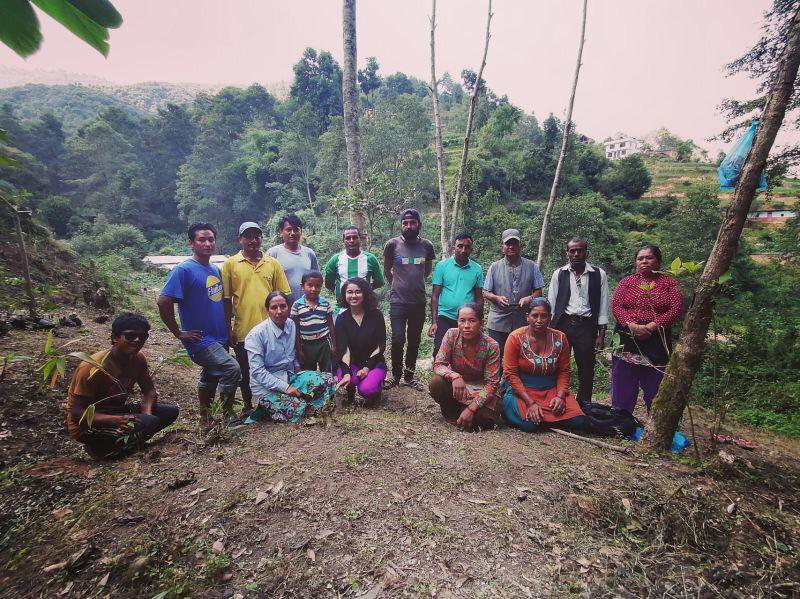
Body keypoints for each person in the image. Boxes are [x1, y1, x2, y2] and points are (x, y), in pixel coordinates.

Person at [157, 223, 240, 430]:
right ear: (191, 243)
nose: (207, 243)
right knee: (232, 368)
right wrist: (178, 333)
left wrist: (228, 329)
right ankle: (228, 415)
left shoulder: (215, 269)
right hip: (200, 339)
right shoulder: (183, 270)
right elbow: (163, 301)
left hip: (219, 336)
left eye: (211, 239)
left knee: (211, 375)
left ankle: (206, 419)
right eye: (201, 240)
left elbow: (221, 302)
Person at [66, 313, 179, 459]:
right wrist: (116, 421)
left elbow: (150, 392)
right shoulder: (92, 367)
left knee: (170, 412)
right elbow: (77, 413)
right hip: (87, 424)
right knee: (149, 422)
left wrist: (147, 412)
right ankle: (105, 450)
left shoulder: (138, 359)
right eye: (130, 336)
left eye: (143, 336)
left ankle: (122, 443)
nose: (137, 340)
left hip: (115, 411)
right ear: (115, 337)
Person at [222, 221, 291, 416]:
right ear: (240, 239)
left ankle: (269, 401)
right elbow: (226, 300)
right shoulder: (230, 264)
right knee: (245, 370)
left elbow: (284, 295)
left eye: (257, 236)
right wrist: (228, 328)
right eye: (248, 236)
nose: (253, 240)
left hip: (272, 328)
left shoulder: (272, 263)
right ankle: (247, 405)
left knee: (271, 366)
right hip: (244, 329)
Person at [611, 245, 684, 414]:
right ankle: (621, 420)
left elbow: (675, 309)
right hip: (627, 338)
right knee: (623, 381)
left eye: (649, 257)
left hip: (656, 341)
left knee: (655, 384)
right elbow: (617, 306)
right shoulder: (627, 282)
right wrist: (631, 325)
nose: (644, 261)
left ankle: (655, 421)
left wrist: (651, 327)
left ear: (658, 261)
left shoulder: (670, 283)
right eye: (640, 258)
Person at [244, 292, 336, 423]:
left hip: (289, 378)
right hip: (266, 388)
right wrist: (286, 389)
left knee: (328, 380)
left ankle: (294, 402)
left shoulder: (291, 325)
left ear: (289, 307)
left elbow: (292, 358)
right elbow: (258, 372)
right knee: (301, 409)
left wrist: (301, 378)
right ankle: (265, 409)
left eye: (283, 306)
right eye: (274, 307)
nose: (279, 311)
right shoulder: (256, 335)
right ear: (267, 310)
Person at [502, 298, 588, 432]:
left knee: (578, 420)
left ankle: (546, 417)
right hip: (522, 390)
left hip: (551, 389)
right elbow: (510, 374)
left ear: (550, 318)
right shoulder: (515, 338)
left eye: (544, 316)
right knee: (529, 424)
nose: (539, 320)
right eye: (534, 316)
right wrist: (530, 403)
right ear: (527, 317)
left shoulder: (560, 338)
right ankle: (512, 408)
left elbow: (564, 371)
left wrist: (560, 397)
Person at [546, 236, 609, 407]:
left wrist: (600, 335)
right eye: (572, 251)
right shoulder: (559, 273)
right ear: (567, 254)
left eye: (580, 250)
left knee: (587, 367)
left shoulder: (598, 274)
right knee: (557, 364)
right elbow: (551, 304)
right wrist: (549, 331)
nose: (576, 254)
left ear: (586, 253)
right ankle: (554, 400)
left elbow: (603, 305)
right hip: (563, 324)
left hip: (587, 325)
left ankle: (584, 404)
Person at [382, 208, 435, 390]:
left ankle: (409, 376)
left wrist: (414, 282)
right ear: (401, 225)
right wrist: (397, 284)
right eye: (405, 223)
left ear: (419, 224)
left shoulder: (427, 246)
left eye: (412, 223)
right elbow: (386, 270)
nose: (409, 226)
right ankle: (395, 376)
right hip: (397, 301)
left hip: (418, 302)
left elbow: (427, 270)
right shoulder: (392, 245)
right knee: (397, 338)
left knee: (414, 340)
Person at [429, 302, 502, 430]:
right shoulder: (452, 335)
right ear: (457, 322)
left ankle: (466, 412)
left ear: (481, 323)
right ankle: (452, 414)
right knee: (436, 382)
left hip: (480, 389)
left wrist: (471, 408)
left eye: (472, 321)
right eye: (462, 321)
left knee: (483, 419)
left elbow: (492, 384)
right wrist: (455, 376)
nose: (466, 326)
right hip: (458, 387)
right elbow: (439, 364)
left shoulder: (492, 346)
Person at [483, 229, 545, 363]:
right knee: (496, 356)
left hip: (523, 320)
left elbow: (539, 291)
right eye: (508, 243)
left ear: (520, 246)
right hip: (498, 320)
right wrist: (496, 298)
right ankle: (495, 383)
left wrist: (530, 298)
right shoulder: (494, 267)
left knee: (522, 357)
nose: (511, 246)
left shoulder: (531, 266)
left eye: (515, 243)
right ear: (503, 247)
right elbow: (485, 292)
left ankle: (516, 384)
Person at [333, 278, 387, 405]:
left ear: (365, 293)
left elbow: (380, 346)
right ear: (344, 295)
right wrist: (346, 373)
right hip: (352, 363)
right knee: (348, 379)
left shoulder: (376, 315)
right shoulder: (341, 319)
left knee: (367, 390)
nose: (353, 296)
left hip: (374, 363)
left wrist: (367, 368)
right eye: (349, 292)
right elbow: (343, 349)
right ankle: (350, 392)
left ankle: (376, 390)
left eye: (358, 292)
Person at [428, 233, 483, 357]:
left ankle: (459, 376)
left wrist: (478, 321)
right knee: (439, 350)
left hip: (467, 319)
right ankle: (439, 375)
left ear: (471, 249)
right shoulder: (442, 266)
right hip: (445, 316)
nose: (463, 250)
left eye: (467, 247)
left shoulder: (477, 269)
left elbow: (479, 298)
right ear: (454, 248)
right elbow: (435, 295)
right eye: (460, 246)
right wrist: (434, 322)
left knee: (465, 352)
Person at [324, 225, 385, 306]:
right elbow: (328, 283)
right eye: (348, 238)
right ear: (343, 241)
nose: (351, 240)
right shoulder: (335, 260)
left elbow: (379, 282)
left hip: (366, 307)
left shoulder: (370, 259)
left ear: (360, 240)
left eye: (355, 237)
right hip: (342, 308)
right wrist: (342, 292)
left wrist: (365, 289)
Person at [267, 214, 319, 304]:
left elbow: (317, 280)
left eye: (296, 229)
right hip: (282, 309)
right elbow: (267, 283)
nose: (292, 233)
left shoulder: (309, 253)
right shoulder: (273, 253)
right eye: (288, 229)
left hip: (306, 308)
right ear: (281, 231)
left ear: (301, 231)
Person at [290, 271, 337, 372]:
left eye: (318, 286)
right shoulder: (297, 305)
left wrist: (334, 345)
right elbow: (296, 330)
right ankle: (313, 388)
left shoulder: (325, 303)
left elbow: (331, 325)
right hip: (306, 345)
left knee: (327, 371)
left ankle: (327, 387)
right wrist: (299, 350)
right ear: (302, 286)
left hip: (324, 343)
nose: (313, 289)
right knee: (308, 372)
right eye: (310, 285)